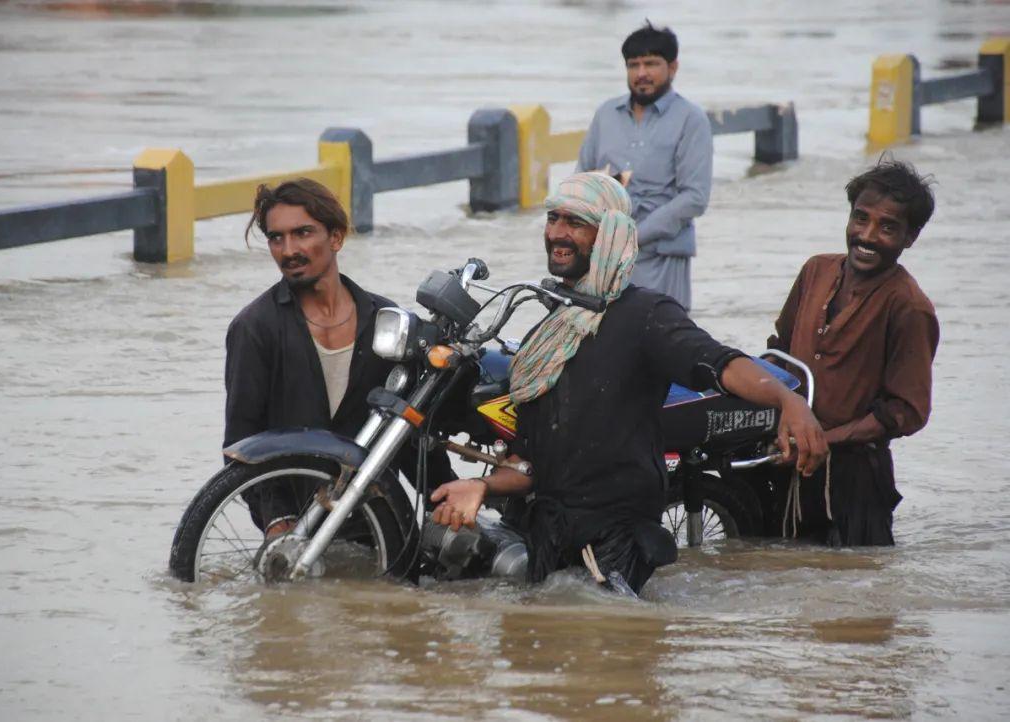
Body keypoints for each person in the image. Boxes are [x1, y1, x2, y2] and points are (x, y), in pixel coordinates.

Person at [429, 172, 826, 593]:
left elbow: (721, 363)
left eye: (576, 223)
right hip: (548, 535)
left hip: (613, 542)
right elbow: (529, 467)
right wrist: (479, 486)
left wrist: (788, 401)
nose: (558, 234)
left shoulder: (646, 316)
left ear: (610, 236)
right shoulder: (550, 334)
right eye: (553, 218)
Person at [224, 178, 450, 537]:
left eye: (302, 233)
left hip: (376, 525)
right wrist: (275, 519)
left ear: (336, 238)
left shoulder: (385, 322)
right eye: (276, 238)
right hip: (298, 529)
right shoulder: (254, 329)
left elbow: (409, 431)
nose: (288, 250)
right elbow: (241, 442)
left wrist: (445, 497)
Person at [768, 159, 939, 546]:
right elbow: (779, 351)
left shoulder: (909, 306)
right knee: (781, 578)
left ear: (910, 237)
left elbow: (906, 411)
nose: (868, 235)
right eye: (860, 219)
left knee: (858, 594)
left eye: (888, 227)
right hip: (787, 460)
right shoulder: (816, 271)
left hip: (856, 480)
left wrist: (825, 438)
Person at [575, 21, 712, 311]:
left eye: (651, 63)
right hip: (604, 258)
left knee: (660, 339)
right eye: (633, 64)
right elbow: (582, 184)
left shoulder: (691, 119)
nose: (641, 74)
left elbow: (694, 198)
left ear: (672, 67)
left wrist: (634, 237)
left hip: (661, 258)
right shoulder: (606, 115)